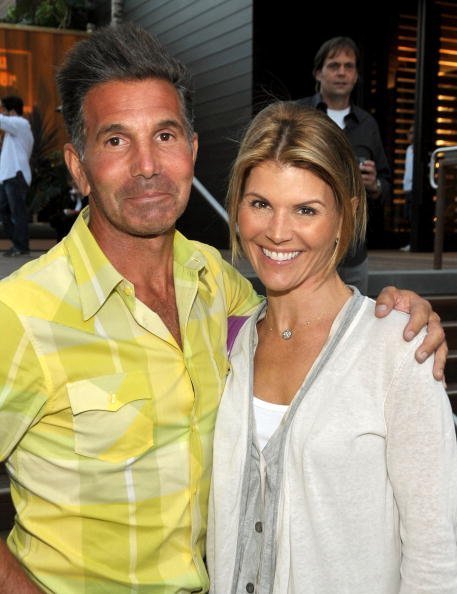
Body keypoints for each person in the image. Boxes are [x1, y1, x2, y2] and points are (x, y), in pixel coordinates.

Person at [0, 24, 447, 594]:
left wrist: (400, 310)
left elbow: (314, 316)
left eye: (164, 136)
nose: (146, 165)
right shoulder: (20, 314)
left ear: (191, 150)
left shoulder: (222, 291)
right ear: (78, 166)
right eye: (116, 141)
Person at [207, 102, 457, 593]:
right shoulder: (228, 342)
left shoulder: (398, 348)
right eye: (259, 203)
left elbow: (436, 553)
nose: (278, 231)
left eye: (306, 209)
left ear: (346, 213)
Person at [296, 36, 392, 294]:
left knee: (352, 326)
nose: (341, 72)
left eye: (348, 66)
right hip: (304, 245)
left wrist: (375, 185)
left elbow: (386, 183)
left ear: (356, 75)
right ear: (318, 72)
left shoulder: (368, 124)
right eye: (334, 65)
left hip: (353, 252)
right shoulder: (298, 114)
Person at [0, 95, 34, 257]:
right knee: (5, 212)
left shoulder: (21, 124)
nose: (3, 113)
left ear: (12, 111)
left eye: (4, 110)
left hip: (16, 176)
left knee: (17, 213)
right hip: (8, 178)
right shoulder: (13, 130)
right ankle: (18, 244)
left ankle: (21, 246)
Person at [400, 125, 414, 252]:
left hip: (415, 188)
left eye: (412, 132)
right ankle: (410, 241)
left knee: (413, 215)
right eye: (408, 133)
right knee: (408, 216)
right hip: (408, 187)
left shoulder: (417, 150)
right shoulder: (409, 149)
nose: (409, 135)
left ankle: (413, 242)